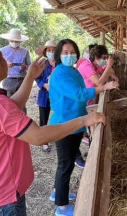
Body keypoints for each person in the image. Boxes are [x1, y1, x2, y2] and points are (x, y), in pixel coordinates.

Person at [0, 39, 105, 216]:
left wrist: (29, 77)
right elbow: (38, 137)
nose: (7, 62)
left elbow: (12, 105)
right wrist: (83, 120)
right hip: (4, 199)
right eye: (3, 58)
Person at [49, 39, 118, 216]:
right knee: (65, 165)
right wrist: (103, 88)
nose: (69, 55)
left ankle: (58, 193)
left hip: (76, 121)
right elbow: (79, 94)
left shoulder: (71, 70)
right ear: (58, 54)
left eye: (72, 52)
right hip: (65, 124)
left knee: (69, 162)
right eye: (65, 52)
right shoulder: (60, 73)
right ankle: (61, 207)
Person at [0, 28, 31, 112]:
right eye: (13, 40)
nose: (14, 43)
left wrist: (25, 66)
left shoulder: (25, 51)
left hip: (21, 80)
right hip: (8, 79)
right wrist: (5, 65)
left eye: (17, 41)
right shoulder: (2, 51)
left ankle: (23, 123)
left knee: (22, 104)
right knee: (8, 104)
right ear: (9, 40)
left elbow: (29, 65)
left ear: (20, 41)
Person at [35, 40, 57, 152]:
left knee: (59, 116)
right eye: (49, 50)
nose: (51, 52)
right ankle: (44, 142)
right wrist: (44, 84)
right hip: (44, 95)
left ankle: (59, 136)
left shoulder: (61, 64)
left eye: (54, 50)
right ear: (45, 52)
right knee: (44, 118)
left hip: (58, 95)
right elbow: (36, 77)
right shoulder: (42, 64)